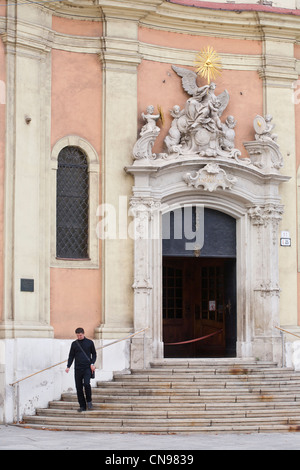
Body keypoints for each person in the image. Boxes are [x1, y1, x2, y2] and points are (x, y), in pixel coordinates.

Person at [65, 327, 97, 412]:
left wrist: (92, 363)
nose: (79, 337)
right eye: (78, 335)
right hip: (78, 368)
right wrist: (68, 366)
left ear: (83, 333)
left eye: (80, 335)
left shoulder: (90, 342)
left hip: (87, 367)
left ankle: (89, 401)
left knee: (87, 384)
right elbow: (71, 356)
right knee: (78, 387)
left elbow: (94, 354)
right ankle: (82, 405)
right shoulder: (74, 344)